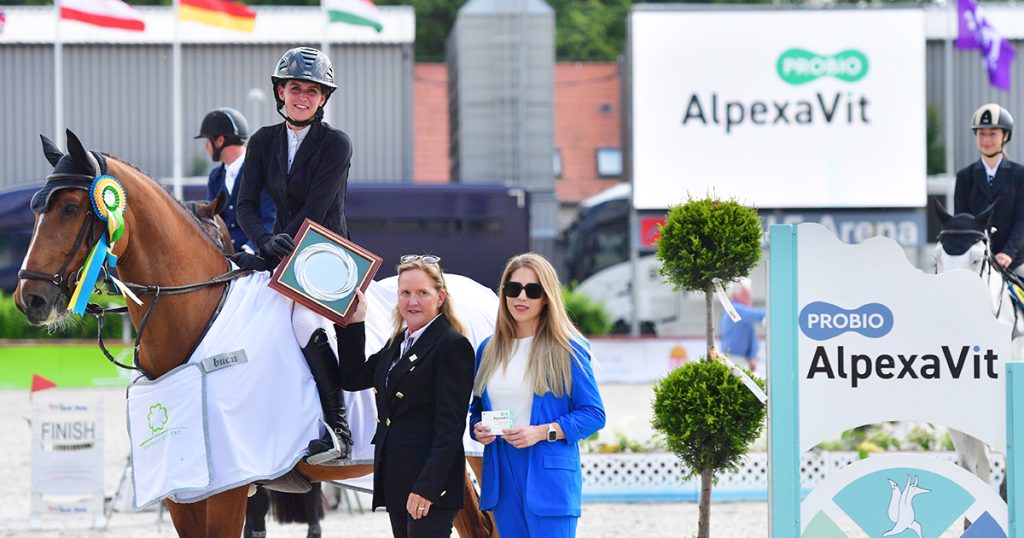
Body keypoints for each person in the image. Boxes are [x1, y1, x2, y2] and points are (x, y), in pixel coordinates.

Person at [235, 46, 355, 464]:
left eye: (311, 90)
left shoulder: (336, 144)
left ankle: (338, 429)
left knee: (303, 319)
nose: (302, 96)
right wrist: (262, 240)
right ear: (280, 92)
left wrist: (272, 249)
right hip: (281, 248)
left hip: (328, 254)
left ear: (323, 99)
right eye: (294, 88)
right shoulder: (264, 141)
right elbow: (244, 205)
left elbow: (316, 210)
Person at [334, 255, 475, 537]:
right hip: (397, 476)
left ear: (440, 297)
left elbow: (450, 427)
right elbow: (352, 379)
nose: (413, 301)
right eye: (405, 293)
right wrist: (355, 322)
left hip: (429, 483)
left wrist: (427, 488)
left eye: (422, 293)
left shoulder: (452, 346)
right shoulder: (397, 343)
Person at [469, 253, 606, 537]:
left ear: (546, 297)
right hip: (502, 475)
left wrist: (543, 432)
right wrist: (478, 429)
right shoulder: (488, 349)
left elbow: (594, 415)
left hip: (549, 475)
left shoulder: (568, 349)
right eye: (512, 288)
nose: (521, 296)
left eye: (532, 290)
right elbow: (478, 409)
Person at [954, 103, 1024, 276]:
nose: (986, 140)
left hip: (1015, 260)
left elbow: (1021, 220)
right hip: (975, 261)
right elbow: (961, 221)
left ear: (1005, 135)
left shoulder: (1019, 174)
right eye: (981, 134)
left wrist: (1008, 252)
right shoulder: (965, 177)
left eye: (992, 134)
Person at [195, 107, 276, 254]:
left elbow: (270, 219)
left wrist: (249, 250)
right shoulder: (216, 176)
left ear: (220, 140)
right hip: (223, 258)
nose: (206, 146)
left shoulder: (261, 171)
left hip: (256, 256)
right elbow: (210, 218)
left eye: (207, 140)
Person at [718, 277, 765, 373]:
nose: (750, 296)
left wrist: (752, 357)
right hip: (734, 359)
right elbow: (760, 314)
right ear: (736, 295)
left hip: (739, 359)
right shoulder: (735, 309)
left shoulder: (741, 313)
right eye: (746, 293)